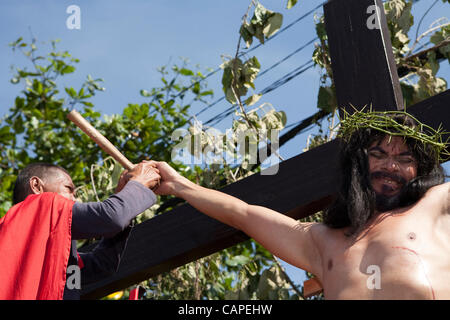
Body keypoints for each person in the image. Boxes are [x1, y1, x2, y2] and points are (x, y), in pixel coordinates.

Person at [152, 112, 450, 299]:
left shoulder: (434, 207)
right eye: (378, 154)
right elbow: (241, 214)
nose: (391, 166)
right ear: (359, 163)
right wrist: (180, 185)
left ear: (420, 170)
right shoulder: (321, 240)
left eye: (405, 159)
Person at [0, 160, 160, 300]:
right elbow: (112, 218)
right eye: (69, 188)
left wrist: (126, 197)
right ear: (37, 186)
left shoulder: (53, 257)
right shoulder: (42, 204)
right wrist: (138, 185)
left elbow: (102, 265)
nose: (75, 199)